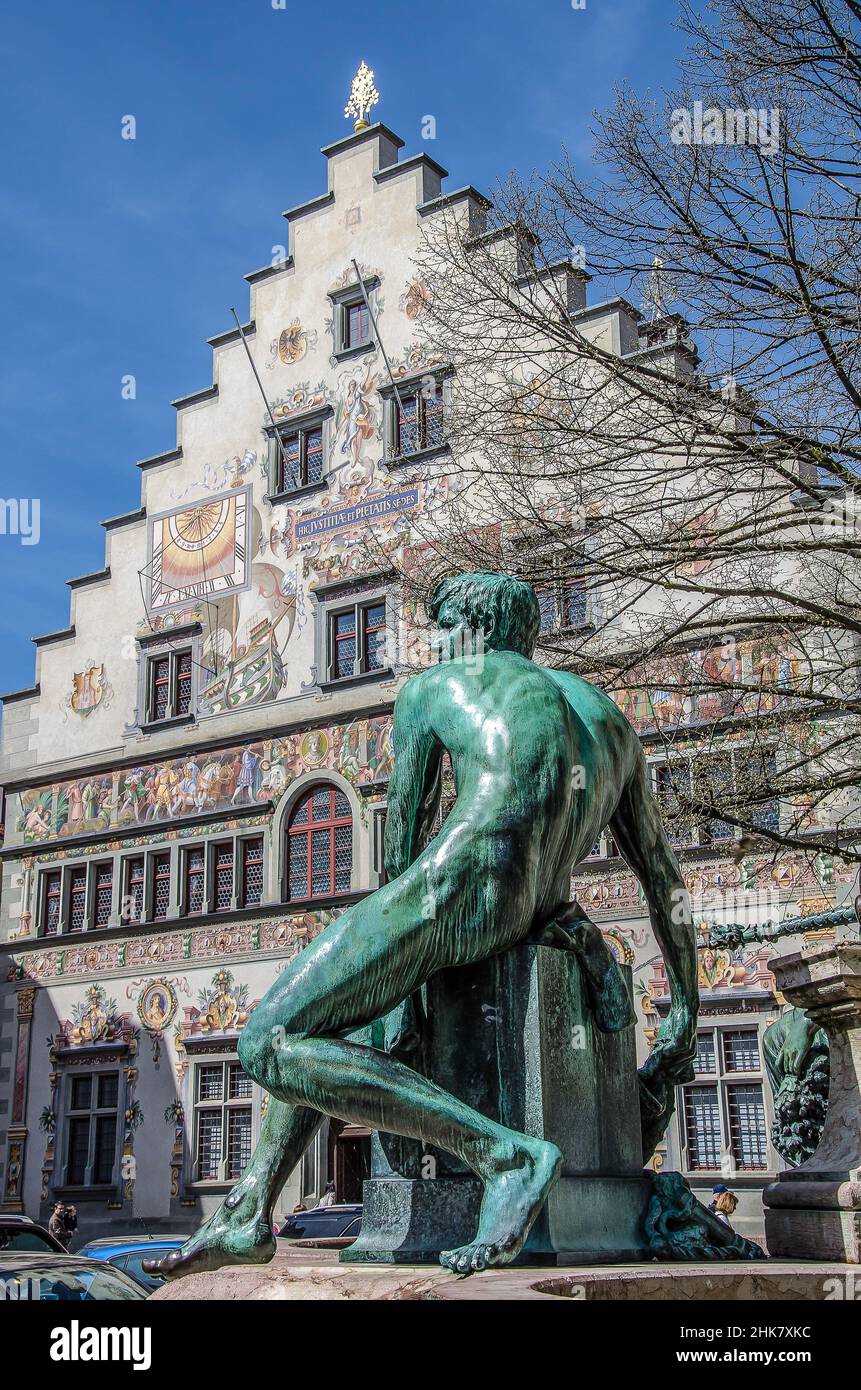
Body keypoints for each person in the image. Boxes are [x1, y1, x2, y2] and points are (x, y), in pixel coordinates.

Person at [150, 573, 697, 1282]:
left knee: (268, 1040)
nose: (435, 642)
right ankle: (251, 1206)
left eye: (440, 626)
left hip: (455, 887)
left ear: (468, 628)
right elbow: (661, 874)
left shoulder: (436, 687)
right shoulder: (608, 720)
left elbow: (402, 840)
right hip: (532, 904)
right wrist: (684, 996)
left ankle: (505, 1155)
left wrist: (400, 984)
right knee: (331, 1020)